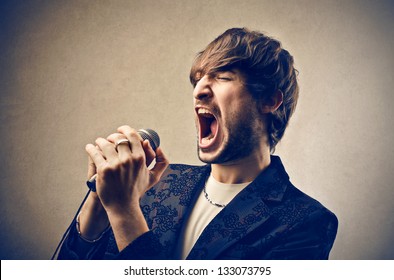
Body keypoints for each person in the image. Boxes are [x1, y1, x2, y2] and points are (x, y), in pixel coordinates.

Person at [58, 28, 338, 260]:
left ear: (269, 101)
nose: (199, 90)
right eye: (197, 80)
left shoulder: (306, 222)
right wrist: (99, 201)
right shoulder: (155, 184)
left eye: (223, 78)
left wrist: (123, 211)